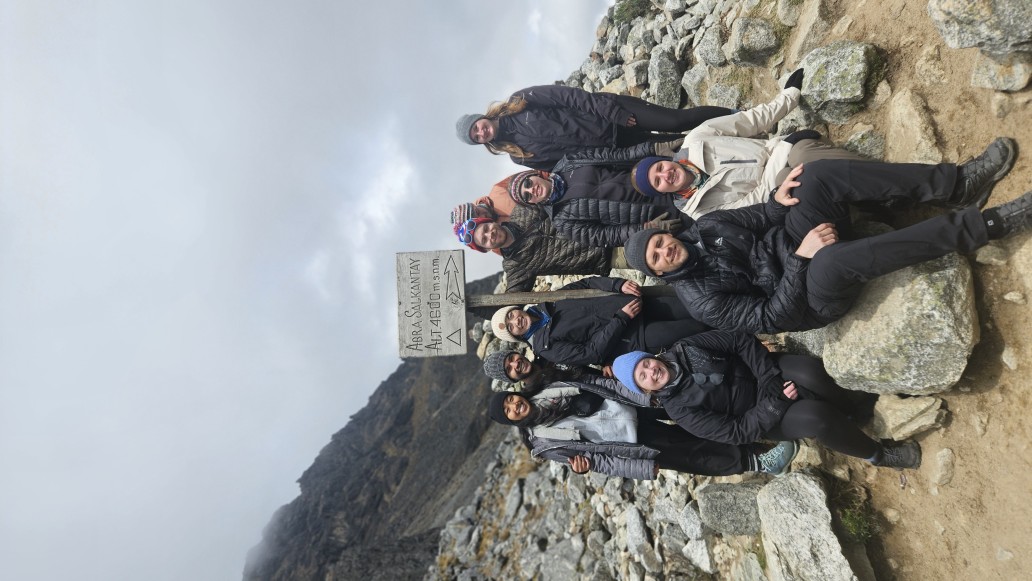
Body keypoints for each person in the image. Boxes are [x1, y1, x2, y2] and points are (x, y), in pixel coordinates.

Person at [621, 155, 1031, 334]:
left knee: (812, 177)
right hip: (811, 298)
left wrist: (777, 199)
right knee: (831, 262)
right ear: (659, 272)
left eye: (659, 242)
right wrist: (802, 258)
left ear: (667, 234)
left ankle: (956, 184)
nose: (664, 250)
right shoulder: (702, 301)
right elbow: (773, 317)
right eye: (657, 257)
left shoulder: (707, 224)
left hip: (799, 243)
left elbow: (764, 218)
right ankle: (986, 225)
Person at [628, 69, 1017, 218]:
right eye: (659, 182)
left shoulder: (697, 139)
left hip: (782, 153)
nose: (665, 174)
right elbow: (750, 205)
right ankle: (955, 186)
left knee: (806, 154)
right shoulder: (698, 211)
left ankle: (907, 196)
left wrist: (790, 96)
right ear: (664, 192)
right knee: (812, 167)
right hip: (779, 195)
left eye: (658, 168)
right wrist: (779, 173)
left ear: (665, 160)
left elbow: (750, 121)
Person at [611, 331, 919, 469]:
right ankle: (878, 455)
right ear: (645, 389)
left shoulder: (686, 346)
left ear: (651, 357)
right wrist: (774, 404)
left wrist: (769, 378)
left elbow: (738, 340)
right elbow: (735, 432)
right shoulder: (680, 410)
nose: (651, 372)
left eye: (646, 363)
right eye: (642, 377)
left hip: (765, 373)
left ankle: (861, 410)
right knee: (817, 418)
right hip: (764, 416)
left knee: (812, 372)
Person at [489, 385, 799, 480]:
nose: (514, 405)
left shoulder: (545, 389)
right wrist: (639, 468)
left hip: (631, 407)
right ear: (511, 421)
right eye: (508, 411)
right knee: (693, 454)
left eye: (510, 399)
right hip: (630, 441)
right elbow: (597, 460)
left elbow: (589, 382)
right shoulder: (544, 443)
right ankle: (761, 462)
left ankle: (757, 434)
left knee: (697, 423)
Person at [455, 84, 734, 170]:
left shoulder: (520, 100)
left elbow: (570, 97)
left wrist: (613, 112)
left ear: (480, 118)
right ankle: (736, 141)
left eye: (476, 127)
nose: (480, 133)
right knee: (682, 145)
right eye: (476, 137)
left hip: (615, 115)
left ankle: (738, 117)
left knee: (677, 121)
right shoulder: (518, 156)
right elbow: (564, 165)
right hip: (617, 150)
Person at [489, 276, 709, 367]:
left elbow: (586, 284)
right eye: (511, 328)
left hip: (639, 305)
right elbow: (591, 354)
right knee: (698, 328)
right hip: (635, 337)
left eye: (510, 316)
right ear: (516, 336)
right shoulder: (546, 348)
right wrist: (621, 319)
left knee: (700, 307)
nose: (515, 322)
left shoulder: (550, 302)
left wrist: (617, 285)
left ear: (515, 310)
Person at [502, 166, 687, 247]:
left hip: (658, 181)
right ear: (532, 203)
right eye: (527, 196)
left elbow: (615, 157)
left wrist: (653, 159)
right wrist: (646, 228)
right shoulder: (561, 221)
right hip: (658, 215)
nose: (531, 190)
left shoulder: (567, 164)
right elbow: (604, 236)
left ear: (534, 175)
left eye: (528, 183)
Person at [453, 206, 615, 292]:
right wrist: (469, 305)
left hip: (604, 225)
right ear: (485, 249)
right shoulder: (515, 266)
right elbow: (512, 301)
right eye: (484, 239)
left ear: (490, 221)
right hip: (605, 257)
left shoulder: (522, 211)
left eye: (486, 228)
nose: (490, 234)